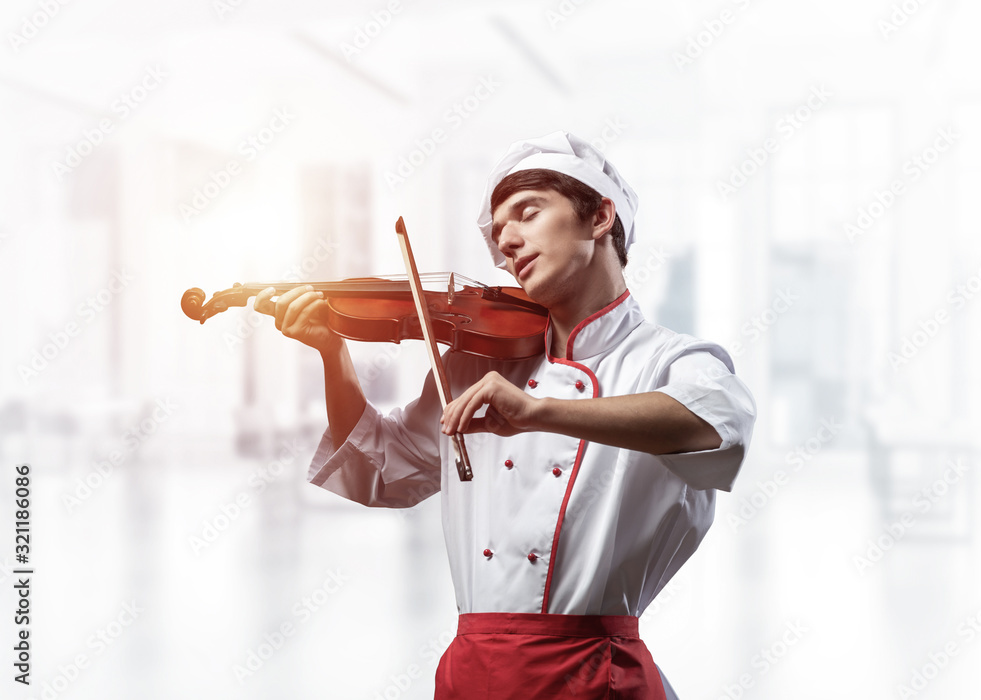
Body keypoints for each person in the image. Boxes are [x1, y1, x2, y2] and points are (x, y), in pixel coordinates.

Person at [252, 131, 756, 699]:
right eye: (498, 233)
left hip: (593, 677)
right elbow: (380, 469)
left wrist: (541, 411)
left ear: (598, 217)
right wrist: (332, 353)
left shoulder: (669, 361)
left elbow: (716, 426)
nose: (507, 242)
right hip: (474, 672)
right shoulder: (476, 364)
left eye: (528, 212)